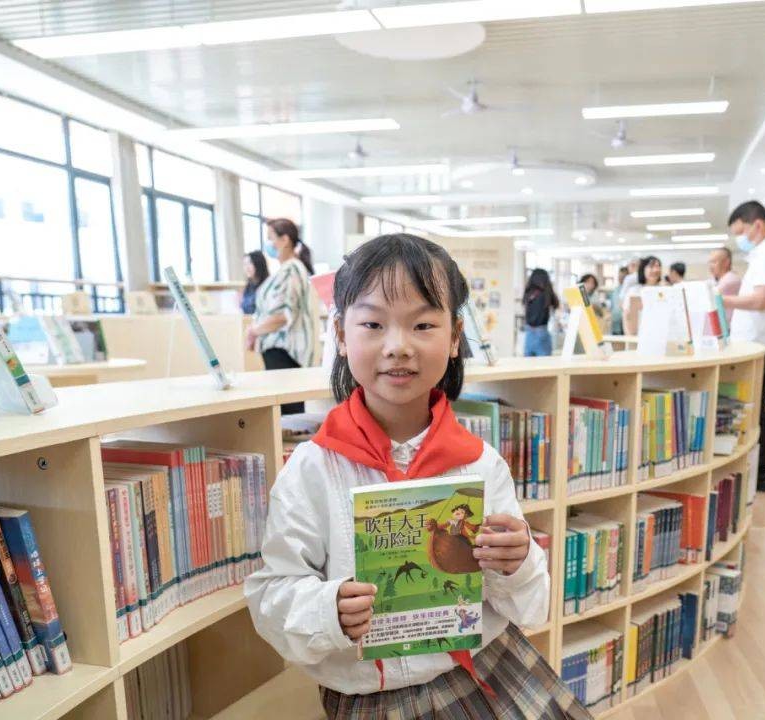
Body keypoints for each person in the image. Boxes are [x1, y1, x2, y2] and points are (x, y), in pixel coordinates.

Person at [245, 234, 590, 720]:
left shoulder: (479, 462)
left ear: (454, 338)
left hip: (486, 670)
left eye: (423, 324)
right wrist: (329, 609)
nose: (398, 346)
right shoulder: (312, 468)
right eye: (372, 323)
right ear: (342, 336)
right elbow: (272, 594)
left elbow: (531, 609)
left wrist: (519, 561)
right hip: (369, 700)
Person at [721, 201, 765, 493]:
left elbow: (761, 299)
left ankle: (760, 474)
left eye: (742, 233)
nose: (741, 240)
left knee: (754, 407)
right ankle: (758, 472)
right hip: (761, 341)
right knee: (755, 405)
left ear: (757, 225)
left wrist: (722, 301)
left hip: (760, 342)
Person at [247, 217, 315, 415]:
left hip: (284, 353)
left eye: (271, 238)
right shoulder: (285, 270)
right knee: (286, 415)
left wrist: (254, 330)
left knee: (287, 417)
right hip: (278, 352)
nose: (268, 244)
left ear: (285, 240)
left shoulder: (292, 269)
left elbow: (283, 316)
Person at [621, 255, 662, 336]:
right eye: (651, 266)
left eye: (658, 266)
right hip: (638, 336)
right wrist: (629, 337)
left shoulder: (663, 290)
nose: (655, 270)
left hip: (660, 336)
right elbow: (626, 316)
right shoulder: (634, 291)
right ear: (643, 269)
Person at [522, 268, 559, 357]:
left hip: (529, 331)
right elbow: (556, 305)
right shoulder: (546, 293)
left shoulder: (528, 292)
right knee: (544, 365)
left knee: (528, 364)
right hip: (541, 331)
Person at [707, 248, 741, 321]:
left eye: (714, 262)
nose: (710, 266)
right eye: (709, 262)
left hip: (728, 327)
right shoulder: (716, 280)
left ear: (726, 262)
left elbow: (708, 298)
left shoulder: (731, 280)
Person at [239, 250, 269, 315]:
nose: (247, 267)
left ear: (258, 264)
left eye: (250, 263)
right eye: (245, 264)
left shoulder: (267, 285)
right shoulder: (248, 287)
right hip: (248, 323)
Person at [610, 266, 629, 335]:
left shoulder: (630, 290)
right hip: (615, 323)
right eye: (620, 276)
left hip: (625, 323)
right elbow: (612, 307)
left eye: (623, 276)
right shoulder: (615, 290)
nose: (620, 278)